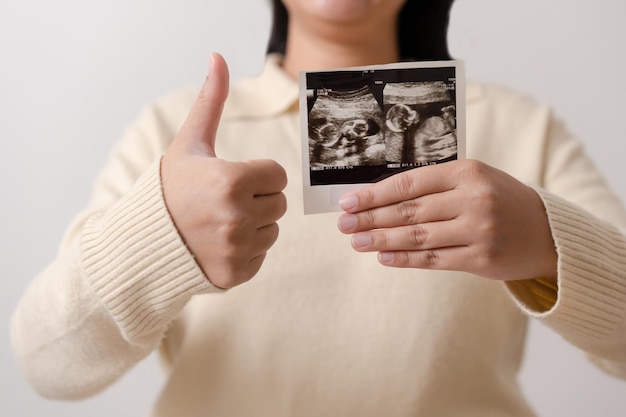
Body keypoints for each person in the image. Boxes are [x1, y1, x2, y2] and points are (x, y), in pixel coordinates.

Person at [11, 0, 626, 415]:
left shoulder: (522, 129)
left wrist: (549, 241)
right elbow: (45, 362)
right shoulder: (174, 136)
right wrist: (155, 238)